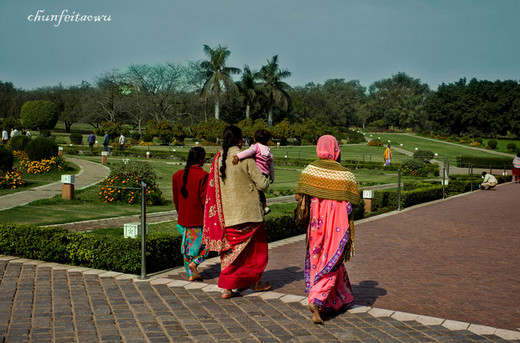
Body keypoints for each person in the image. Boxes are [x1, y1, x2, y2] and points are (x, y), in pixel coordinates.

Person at [295, 135, 361, 324]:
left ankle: (339, 299)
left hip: (315, 226)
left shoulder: (310, 170)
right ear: (336, 149)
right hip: (337, 227)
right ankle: (317, 299)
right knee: (332, 261)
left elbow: (298, 196)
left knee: (319, 260)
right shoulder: (345, 175)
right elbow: (355, 200)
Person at [202, 125, 271, 299]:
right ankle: (254, 282)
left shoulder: (218, 159)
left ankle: (227, 288)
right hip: (249, 214)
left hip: (226, 215)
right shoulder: (246, 159)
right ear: (240, 141)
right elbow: (262, 184)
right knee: (257, 253)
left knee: (230, 254)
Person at [172, 147, 210, 281]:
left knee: (187, 247)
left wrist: (180, 214)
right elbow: (205, 200)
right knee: (209, 244)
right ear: (201, 159)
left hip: (183, 218)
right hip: (198, 219)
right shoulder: (203, 175)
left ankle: (190, 274)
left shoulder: (177, 175)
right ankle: (195, 264)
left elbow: (176, 199)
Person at [232, 129, 274, 214]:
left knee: (256, 191)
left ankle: (263, 206)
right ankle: (264, 206)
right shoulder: (269, 152)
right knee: (260, 191)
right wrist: (272, 177)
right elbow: (271, 166)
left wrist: (238, 156)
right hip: (265, 174)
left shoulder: (256, 147)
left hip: (257, 172)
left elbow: (248, 152)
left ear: (255, 139)